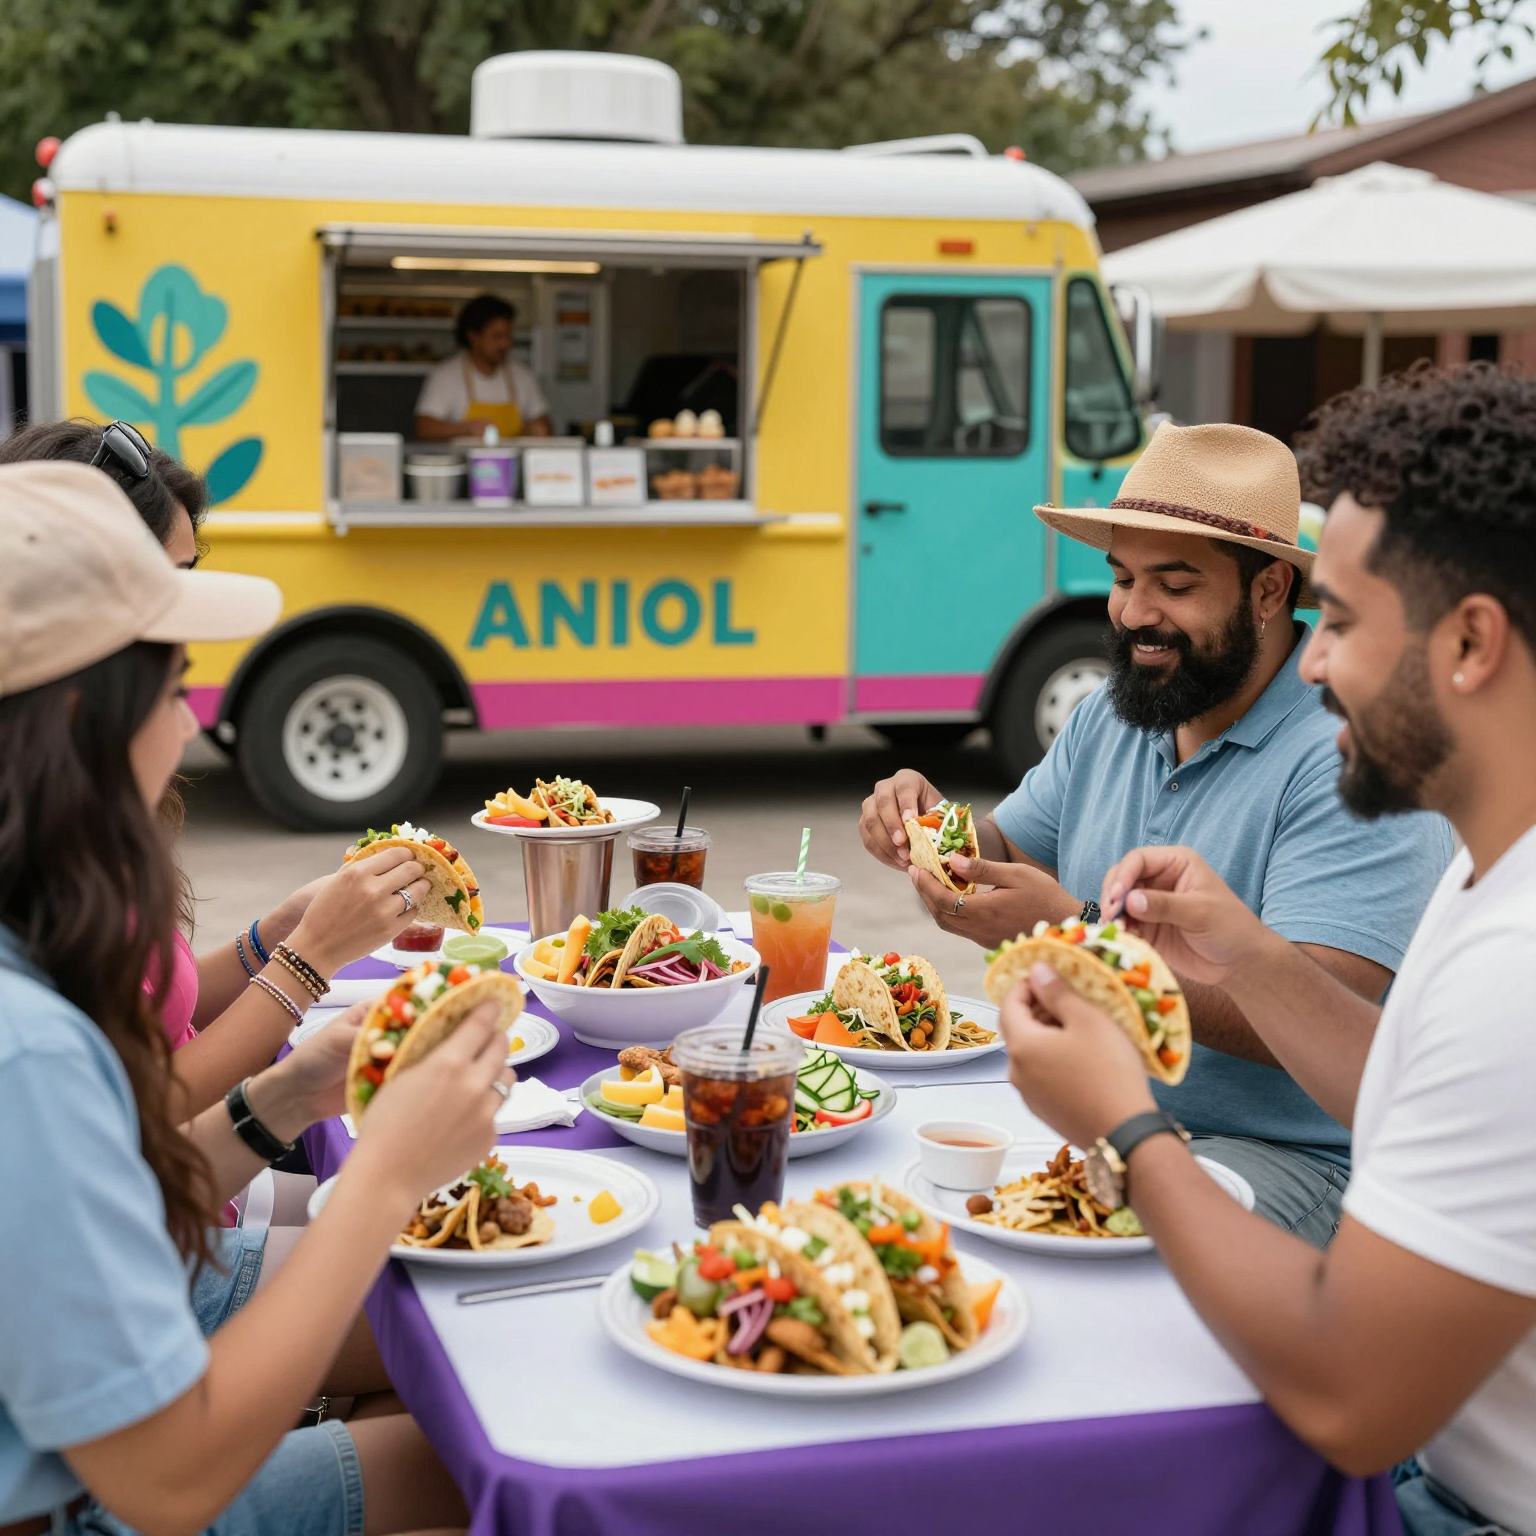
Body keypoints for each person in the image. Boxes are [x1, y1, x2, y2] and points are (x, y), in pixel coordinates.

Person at [1000, 363, 1536, 1536]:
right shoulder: (1489, 873)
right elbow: (1402, 1086)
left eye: (1338, 621)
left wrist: (1127, 1127)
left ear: (1471, 642)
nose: (1313, 664)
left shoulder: (1516, 958)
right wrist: (1245, 953)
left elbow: (1351, 1402)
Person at [0, 459, 510, 1536]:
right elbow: (168, 1480)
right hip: (85, 1498)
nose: (187, 728)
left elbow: (106, 1202)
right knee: (496, 1449)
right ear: (84, 718)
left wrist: (290, 1094)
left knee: (463, 1377)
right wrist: (388, 1172)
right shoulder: (26, 1047)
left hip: (118, 1359)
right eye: (173, 690)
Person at [861, 422, 1453, 1245]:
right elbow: (1005, 850)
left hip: (1291, 1160)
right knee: (896, 1197)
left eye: (1174, 584)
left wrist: (1071, 936)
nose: (1135, 613)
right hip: (1101, 1121)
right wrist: (928, 826)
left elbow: (1322, 1019)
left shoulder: (1349, 755)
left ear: (1269, 590)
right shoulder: (1118, 709)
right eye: (1122, 578)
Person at [414, 293, 552, 441]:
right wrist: (465, 429)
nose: (505, 344)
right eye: (497, 337)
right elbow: (424, 428)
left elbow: (544, 424)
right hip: (464, 456)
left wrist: (538, 429)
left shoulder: (523, 376)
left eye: (508, 336)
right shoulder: (446, 376)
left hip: (513, 457)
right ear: (473, 337)